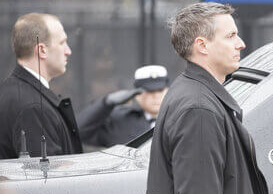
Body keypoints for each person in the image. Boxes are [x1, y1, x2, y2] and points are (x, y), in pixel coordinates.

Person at [140, 2, 273, 194]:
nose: (241, 43)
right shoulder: (199, 110)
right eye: (230, 36)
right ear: (202, 45)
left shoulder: (194, 96)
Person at [0, 13, 82, 159]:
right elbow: (46, 172)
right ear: (42, 50)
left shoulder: (11, 91)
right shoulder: (34, 108)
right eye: (62, 43)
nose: (68, 51)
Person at [77, 65, 170, 148]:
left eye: (160, 90)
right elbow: (79, 133)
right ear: (137, 95)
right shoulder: (120, 122)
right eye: (150, 91)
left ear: (168, 90)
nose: (156, 96)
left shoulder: (177, 119)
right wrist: (106, 103)